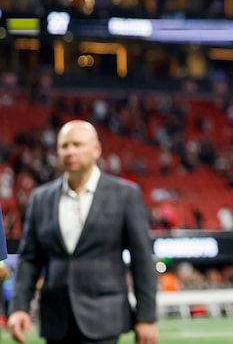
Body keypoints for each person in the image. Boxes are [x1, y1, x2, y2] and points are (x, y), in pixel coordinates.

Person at [8, 120, 158, 344]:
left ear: (96, 149)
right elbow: (30, 258)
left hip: (105, 319)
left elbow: (142, 259)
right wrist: (19, 307)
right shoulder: (41, 198)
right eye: (64, 146)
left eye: (77, 144)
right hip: (56, 321)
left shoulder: (124, 194)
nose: (70, 151)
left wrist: (146, 317)